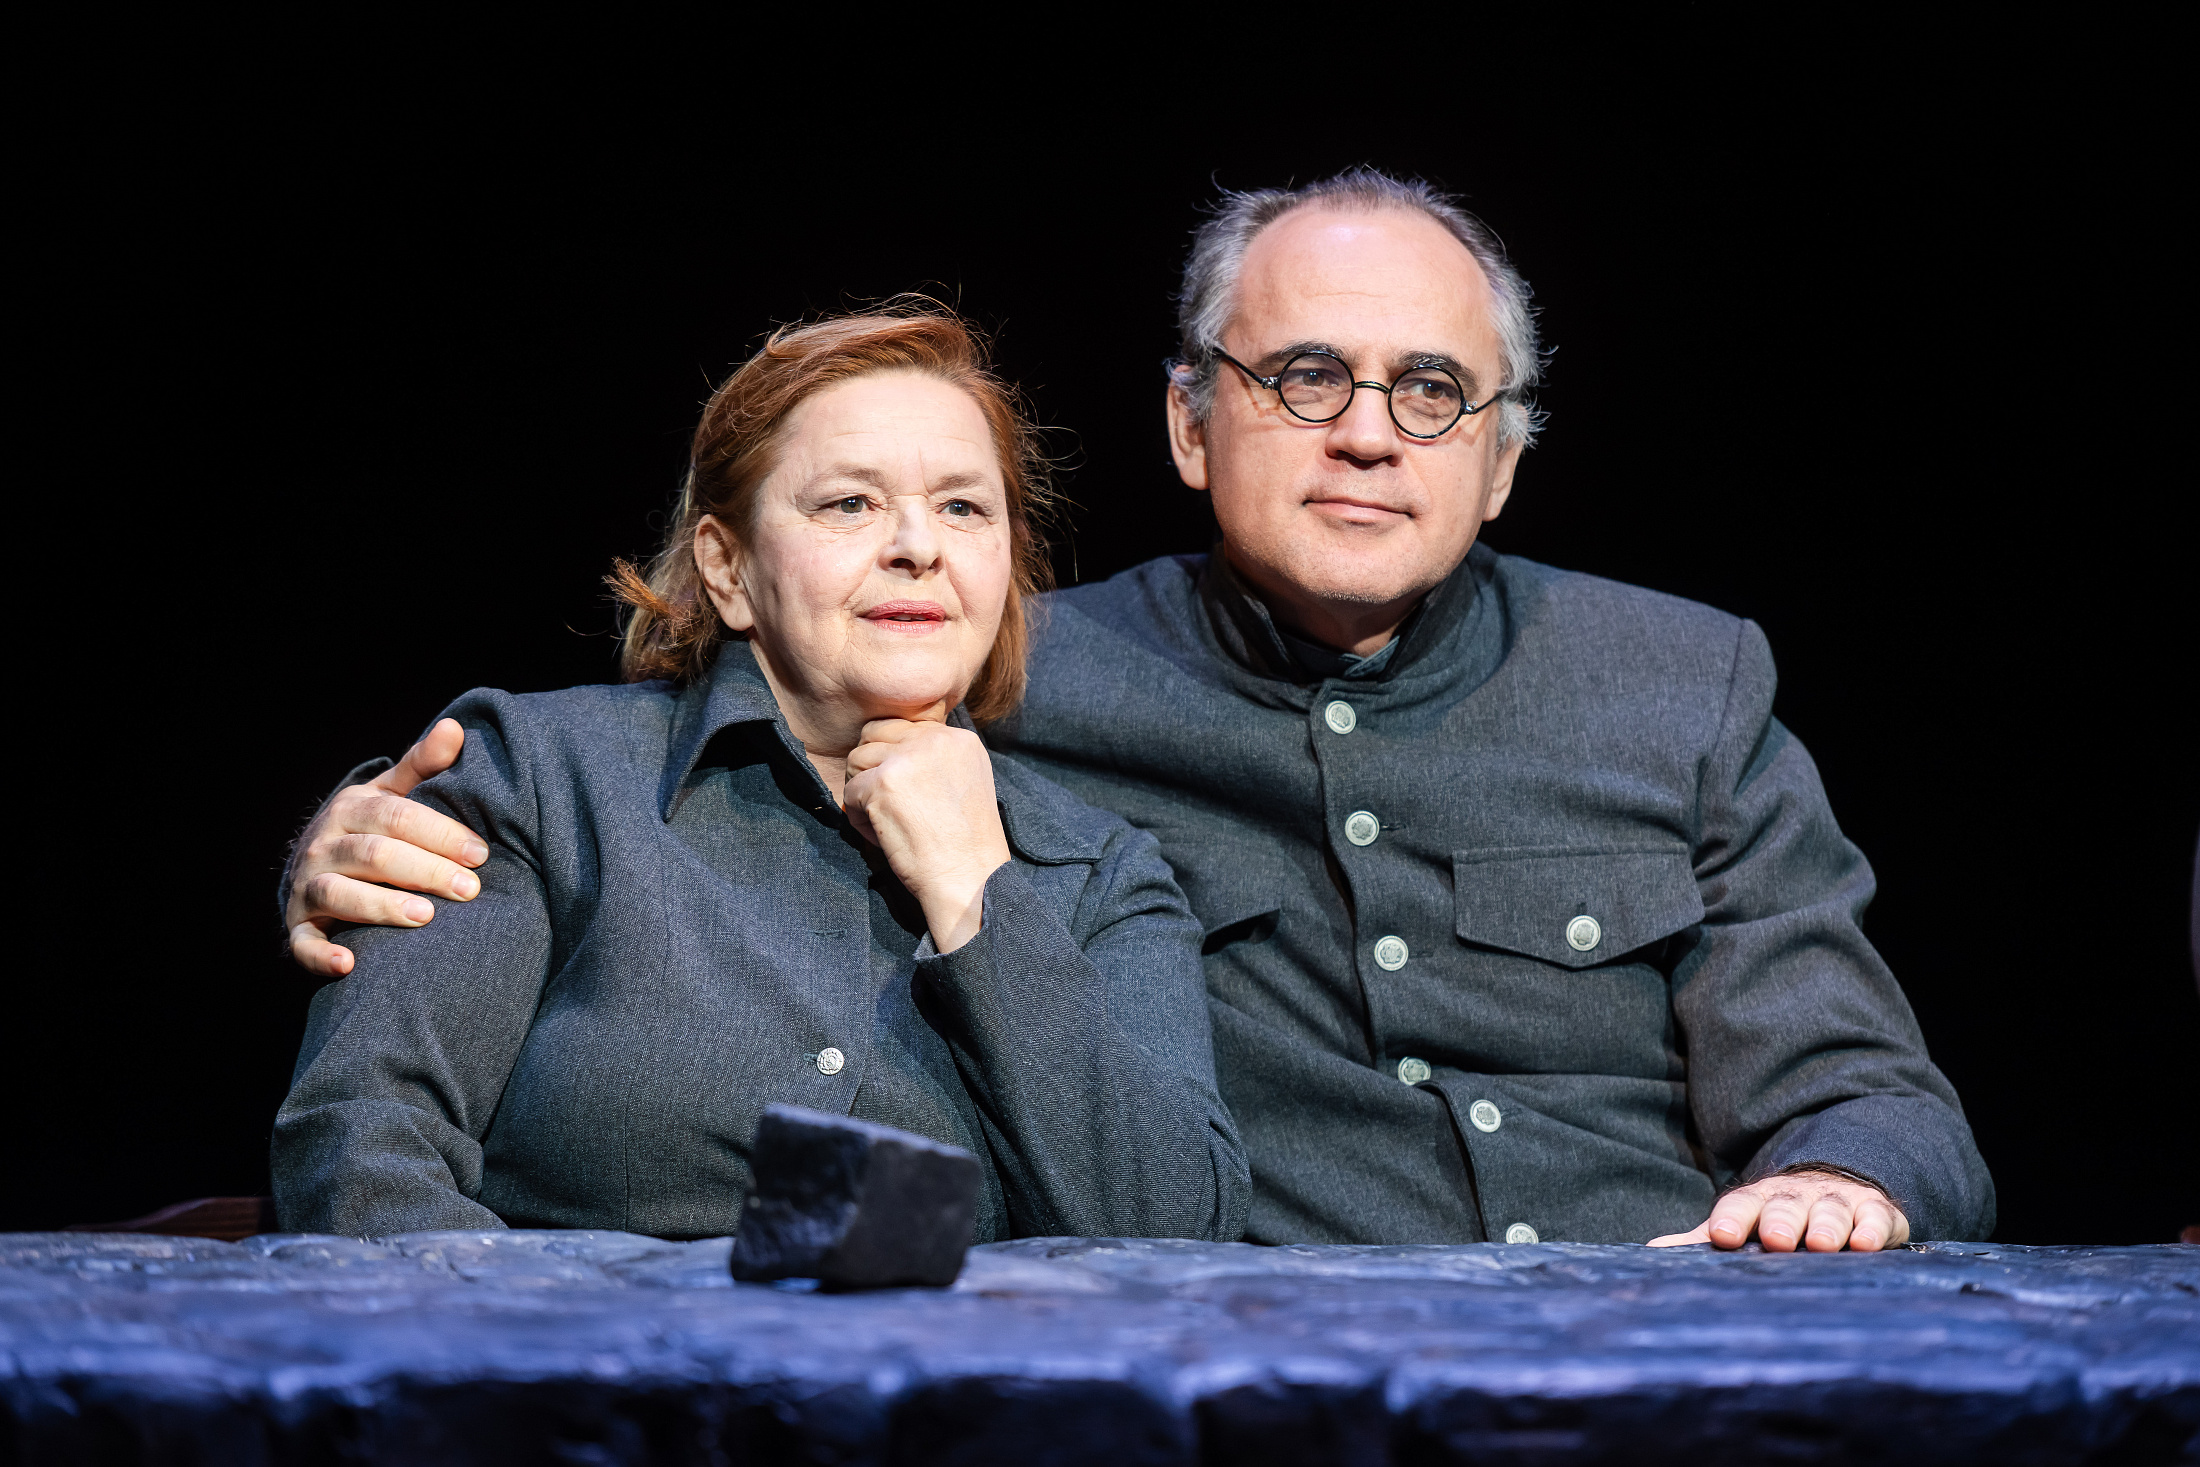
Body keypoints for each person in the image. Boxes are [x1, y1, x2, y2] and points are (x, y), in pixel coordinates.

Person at [283, 170, 1995, 1251]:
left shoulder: (1685, 682)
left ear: (1502, 457)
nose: (1368, 432)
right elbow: (723, 726)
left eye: (1431, 390)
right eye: (1306, 375)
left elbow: (1870, 1086)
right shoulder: (1011, 667)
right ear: (1190, 425)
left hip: (1666, 1337)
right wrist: (370, 822)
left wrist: (1846, 1178)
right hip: (1271, 1375)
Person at [271, 306, 1249, 1242]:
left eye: (962, 507)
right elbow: (361, 1151)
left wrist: (975, 893)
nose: (919, 547)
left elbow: (1167, 1235)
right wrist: (553, 1346)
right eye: (850, 503)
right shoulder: (538, 778)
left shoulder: (1100, 875)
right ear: (728, 568)